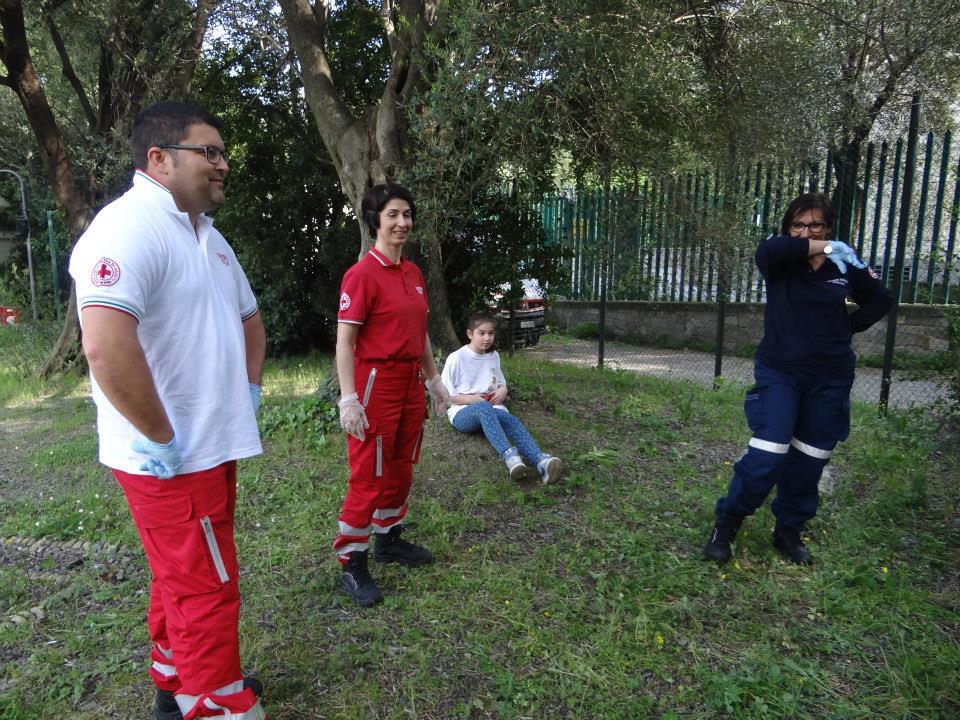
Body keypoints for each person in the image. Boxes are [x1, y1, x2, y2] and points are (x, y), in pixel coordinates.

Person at [69, 102, 268, 720]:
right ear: (158, 159)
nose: (222, 165)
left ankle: (173, 677)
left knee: (181, 570)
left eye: (223, 153)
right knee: (206, 583)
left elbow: (250, 321)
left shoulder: (206, 235)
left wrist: (249, 392)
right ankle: (216, 701)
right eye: (208, 152)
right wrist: (159, 435)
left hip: (211, 444)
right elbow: (103, 343)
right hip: (169, 458)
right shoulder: (125, 229)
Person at [702, 192, 892, 565]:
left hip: (830, 376)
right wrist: (820, 243)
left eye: (816, 225)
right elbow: (769, 250)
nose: (806, 231)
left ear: (829, 226)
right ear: (788, 228)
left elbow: (881, 298)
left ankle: (788, 529)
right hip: (780, 372)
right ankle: (728, 522)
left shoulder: (842, 264)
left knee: (811, 457)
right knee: (768, 452)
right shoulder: (780, 260)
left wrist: (846, 326)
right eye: (798, 225)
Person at [333, 183, 451, 607]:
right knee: (370, 472)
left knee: (401, 464)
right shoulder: (361, 275)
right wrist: (349, 398)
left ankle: (388, 541)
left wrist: (433, 378)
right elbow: (345, 342)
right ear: (374, 221)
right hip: (375, 383)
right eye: (392, 215)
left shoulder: (413, 273)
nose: (402, 223)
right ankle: (352, 559)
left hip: (408, 384)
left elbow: (418, 332)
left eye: (407, 214)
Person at [440, 310, 562, 484]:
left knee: (511, 420)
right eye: (481, 333)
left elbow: (500, 382)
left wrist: (503, 390)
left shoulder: (494, 356)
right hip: (463, 414)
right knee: (483, 408)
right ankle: (511, 457)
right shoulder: (457, 358)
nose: (487, 338)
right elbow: (446, 396)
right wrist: (473, 399)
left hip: (492, 410)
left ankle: (541, 461)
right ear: (469, 334)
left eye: (491, 333)